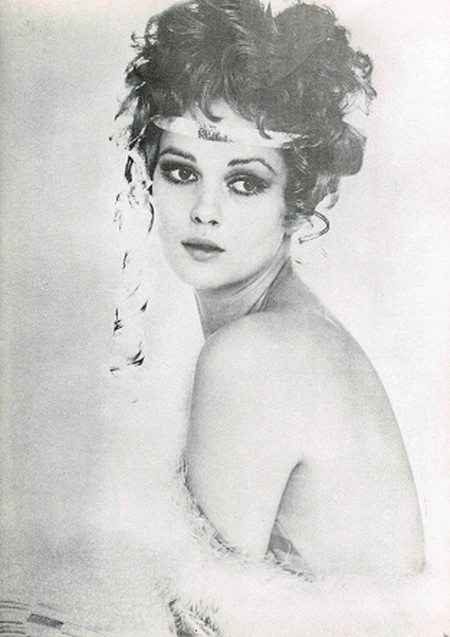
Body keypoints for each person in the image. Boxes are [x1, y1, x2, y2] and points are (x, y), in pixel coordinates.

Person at [112, 0, 425, 633]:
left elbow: (204, 628)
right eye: (181, 171)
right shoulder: (296, 332)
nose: (204, 210)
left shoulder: (255, 356)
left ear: (298, 202)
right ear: (150, 179)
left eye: (245, 183)